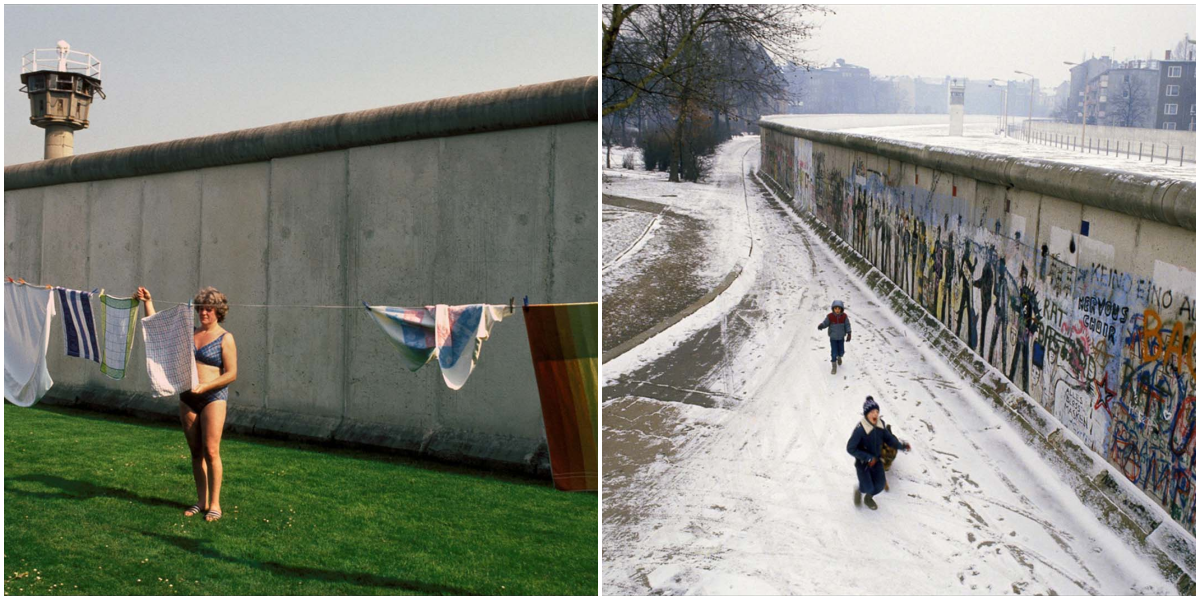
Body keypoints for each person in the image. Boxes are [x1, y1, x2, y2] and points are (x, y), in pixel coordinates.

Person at [137, 286, 238, 522]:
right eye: (201, 309)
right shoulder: (188, 333)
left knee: (211, 451)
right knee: (195, 452)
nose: (203, 313)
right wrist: (148, 301)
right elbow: (158, 328)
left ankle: (215, 504)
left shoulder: (226, 337)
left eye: (208, 309)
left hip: (213, 397)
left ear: (218, 311)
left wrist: (206, 387)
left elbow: (231, 373)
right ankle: (201, 501)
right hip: (187, 398)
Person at [847, 396, 911, 510]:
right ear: (866, 414)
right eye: (872, 412)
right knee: (867, 487)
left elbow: (890, 439)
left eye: (877, 411)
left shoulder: (880, 426)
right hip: (863, 464)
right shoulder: (860, 430)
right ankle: (860, 491)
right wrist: (867, 458)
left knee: (880, 485)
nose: (875, 414)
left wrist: (902, 446)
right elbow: (850, 448)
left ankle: (868, 498)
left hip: (877, 461)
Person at [817, 300, 852, 374]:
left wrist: (849, 333)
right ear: (833, 309)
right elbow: (825, 323)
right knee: (834, 352)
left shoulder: (844, 316)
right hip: (833, 338)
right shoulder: (830, 316)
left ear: (841, 309)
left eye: (839, 309)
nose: (837, 310)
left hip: (841, 338)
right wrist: (822, 326)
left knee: (841, 351)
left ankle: (840, 357)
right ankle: (834, 366)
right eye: (836, 308)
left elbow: (847, 325)